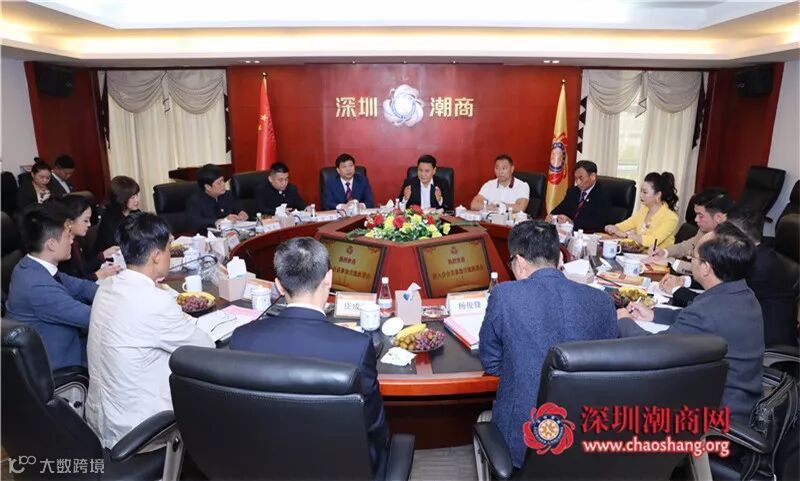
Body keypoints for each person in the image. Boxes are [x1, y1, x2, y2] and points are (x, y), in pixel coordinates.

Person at [229, 237, 389, 477]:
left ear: (279, 286)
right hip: (337, 469)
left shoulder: (241, 338)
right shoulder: (356, 346)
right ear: (329, 279)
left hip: (264, 464)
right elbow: (374, 427)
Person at [479, 220, 618, 468]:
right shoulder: (602, 301)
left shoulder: (505, 295)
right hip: (587, 434)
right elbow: (607, 370)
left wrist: (521, 367)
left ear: (519, 262)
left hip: (524, 439)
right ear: (560, 259)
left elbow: (491, 363)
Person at [86, 212, 214, 448]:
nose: (169, 254)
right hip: (141, 430)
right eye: (168, 249)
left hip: (101, 420)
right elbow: (205, 348)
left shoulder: (106, 286)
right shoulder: (154, 302)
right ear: (156, 256)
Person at [618, 223, 763, 424]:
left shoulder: (708, 311)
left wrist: (624, 321)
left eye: (693, 254)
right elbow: (694, 316)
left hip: (716, 413)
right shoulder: (742, 293)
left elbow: (652, 351)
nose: (690, 256)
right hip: (740, 398)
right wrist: (653, 314)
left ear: (706, 268)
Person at [667, 208, 799, 347]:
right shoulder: (753, 255)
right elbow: (720, 277)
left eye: (724, 232)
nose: (718, 235)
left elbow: (719, 306)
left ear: (738, 238)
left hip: (762, 342)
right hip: (738, 328)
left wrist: (677, 290)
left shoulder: (757, 265)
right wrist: (685, 281)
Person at [5, 203, 98, 369]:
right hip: (65, 364)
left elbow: (83, 287)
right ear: (51, 244)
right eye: (68, 234)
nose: (72, 240)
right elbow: (93, 318)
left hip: (71, 343)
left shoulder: (33, 265)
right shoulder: (38, 286)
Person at [645, 188, 733, 276]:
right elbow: (686, 246)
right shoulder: (705, 230)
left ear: (718, 217)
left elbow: (707, 270)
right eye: (696, 214)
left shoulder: (730, 240)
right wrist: (664, 252)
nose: (696, 219)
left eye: (700, 216)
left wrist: (671, 263)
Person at [53, 195, 121, 281]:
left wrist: (103, 255)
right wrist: (97, 275)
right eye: (85, 220)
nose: (89, 224)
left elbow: (83, 269)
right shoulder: (62, 247)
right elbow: (72, 283)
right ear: (69, 222)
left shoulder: (77, 240)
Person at [604, 171, 679, 249]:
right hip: (639, 253)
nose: (641, 195)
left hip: (657, 256)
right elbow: (627, 224)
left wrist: (626, 235)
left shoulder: (671, 217)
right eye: (641, 191)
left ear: (658, 195)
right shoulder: (644, 210)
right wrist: (614, 228)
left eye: (645, 192)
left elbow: (652, 241)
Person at [546, 160, 612, 232]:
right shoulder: (573, 191)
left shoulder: (603, 194)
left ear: (593, 176)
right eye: (576, 178)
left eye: (581, 178)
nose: (577, 182)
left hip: (589, 235)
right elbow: (559, 209)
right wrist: (552, 216)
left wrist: (572, 223)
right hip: (569, 233)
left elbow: (598, 222)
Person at [187, 163, 248, 234]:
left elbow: (240, 209)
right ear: (208, 187)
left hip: (232, 234)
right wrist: (218, 221)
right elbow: (194, 223)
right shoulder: (195, 201)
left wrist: (242, 214)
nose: (223, 184)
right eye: (219, 183)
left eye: (223, 180)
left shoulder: (228, 195)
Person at [94, 176, 140, 257]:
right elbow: (120, 246)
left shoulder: (136, 212)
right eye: (132, 197)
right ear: (121, 199)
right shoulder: (110, 218)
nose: (137, 200)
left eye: (136, 195)